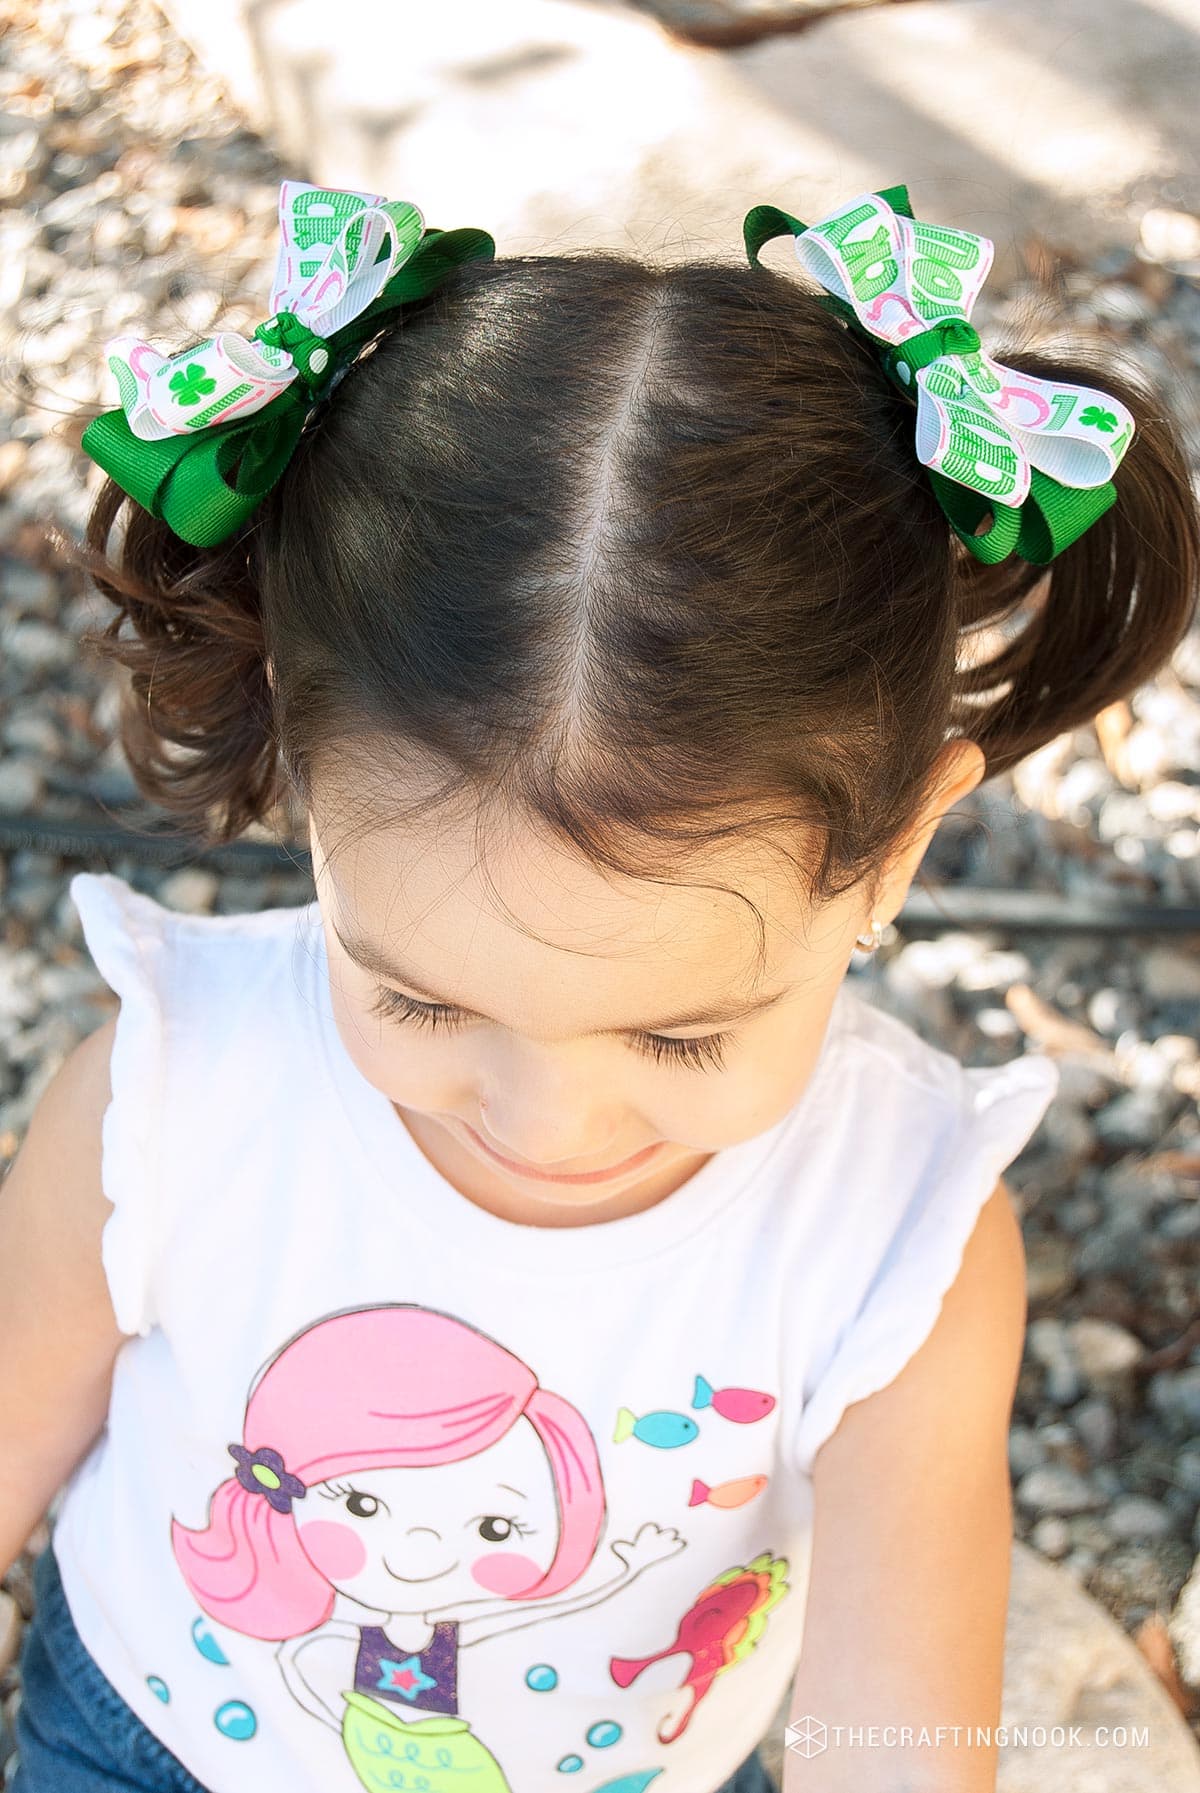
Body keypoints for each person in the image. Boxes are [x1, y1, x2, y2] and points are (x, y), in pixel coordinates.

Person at [1, 178, 1196, 1793]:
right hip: (146, 1741)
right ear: (302, 765)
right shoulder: (163, 1099)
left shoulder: (899, 1230)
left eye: (682, 1027)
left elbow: (895, 1740)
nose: (547, 1119)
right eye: (422, 1000)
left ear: (900, 849)